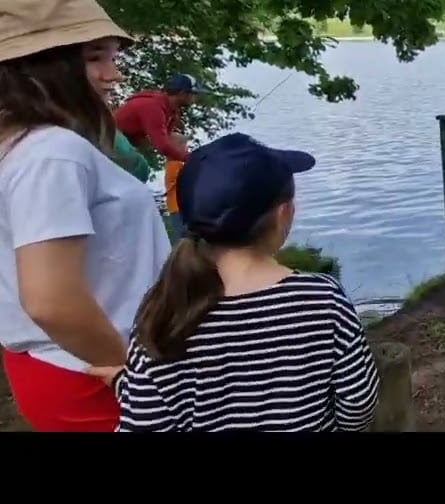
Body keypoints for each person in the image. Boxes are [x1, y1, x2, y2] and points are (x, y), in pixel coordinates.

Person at [91, 132, 381, 432]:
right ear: (284, 215)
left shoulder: (164, 313)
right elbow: (358, 405)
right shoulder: (323, 301)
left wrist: (127, 385)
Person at [0, 0, 171, 432]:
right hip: (91, 374)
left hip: (63, 366)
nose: (113, 74)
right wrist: (133, 372)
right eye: (95, 58)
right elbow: (50, 300)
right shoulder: (51, 153)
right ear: (37, 67)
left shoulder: (24, 146)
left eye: (112, 56)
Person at [114, 73, 205, 163]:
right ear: (182, 94)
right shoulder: (154, 107)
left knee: (178, 140)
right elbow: (162, 146)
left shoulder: (170, 110)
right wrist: (191, 159)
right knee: (141, 169)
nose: (196, 98)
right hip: (109, 138)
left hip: (121, 141)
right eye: (194, 94)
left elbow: (165, 138)